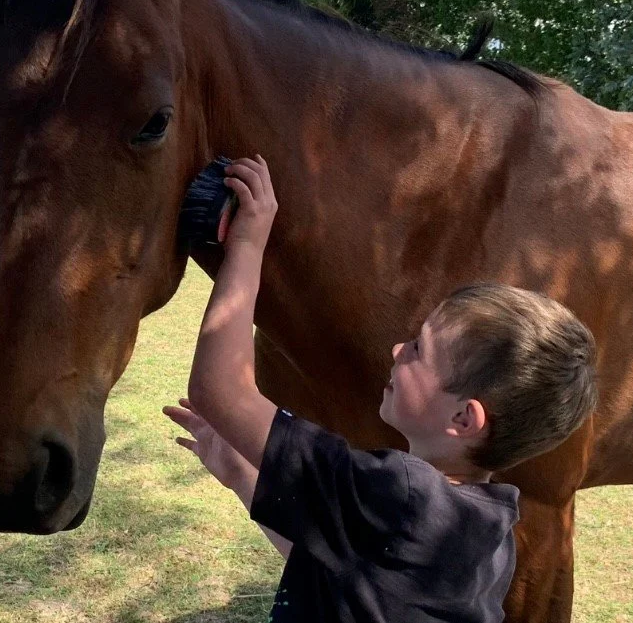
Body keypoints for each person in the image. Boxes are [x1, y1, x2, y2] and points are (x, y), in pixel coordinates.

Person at [163, 156, 598, 623]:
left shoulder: (399, 494)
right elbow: (337, 566)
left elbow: (220, 391)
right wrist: (240, 474)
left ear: (463, 419)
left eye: (417, 350)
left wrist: (248, 242)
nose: (396, 351)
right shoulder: (489, 528)